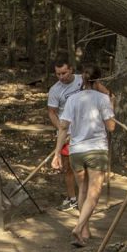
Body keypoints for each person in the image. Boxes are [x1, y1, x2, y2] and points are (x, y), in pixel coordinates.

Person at [52, 64, 116, 247]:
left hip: (76, 151)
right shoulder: (103, 98)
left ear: (83, 79)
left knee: (83, 190)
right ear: (98, 80)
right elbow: (111, 127)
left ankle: (85, 230)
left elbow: (63, 127)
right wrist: (111, 107)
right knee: (94, 194)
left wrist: (57, 153)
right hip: (96, 149)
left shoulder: (72, 99)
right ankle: (79, 227)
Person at [45, 57, 83, 210]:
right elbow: (52, 113)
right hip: (66, 133)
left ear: (71, 70)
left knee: (83, 167)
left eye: (64, 73)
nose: (61, 77)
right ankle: (72, 199)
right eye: (58, 74)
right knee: (67, 168)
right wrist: (62, 129)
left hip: (85, 132)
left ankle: (84, 198)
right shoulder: (55, 90)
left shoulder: (83, 81)